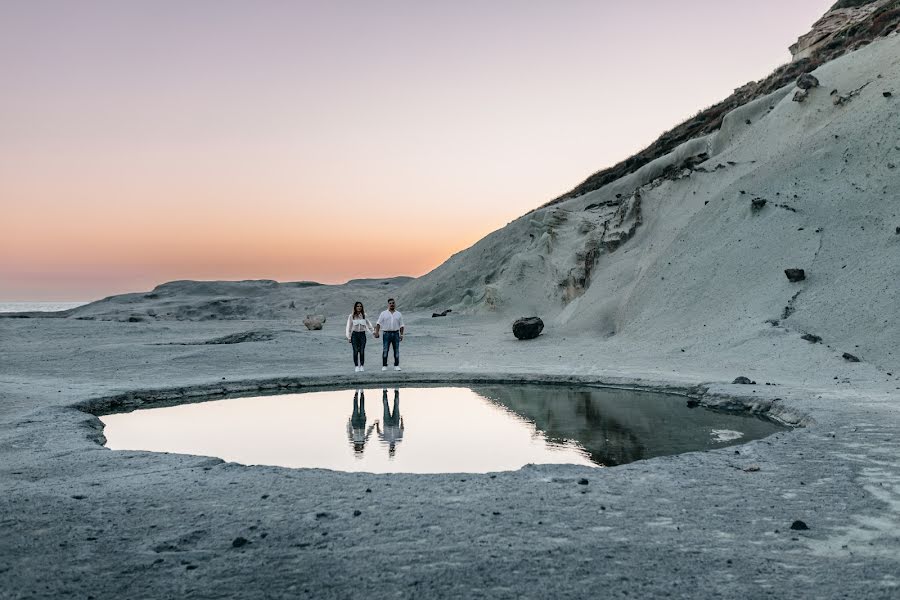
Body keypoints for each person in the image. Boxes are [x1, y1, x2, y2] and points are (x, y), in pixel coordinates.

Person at [373, 298, 404, 371]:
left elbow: (402, 325)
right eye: (390, 303)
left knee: (396, 350)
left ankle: (396, 365)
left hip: (396, 333)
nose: (392, 304)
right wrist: (377, 332)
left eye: (393, 303)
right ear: (388, 304)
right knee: (385, 349)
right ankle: (384, 365)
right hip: (386, 334)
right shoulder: (383, 313)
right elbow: (378, 323)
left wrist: (401, 335)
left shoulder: (399, 314)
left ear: (395, 304)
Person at [345, 301, 374, 372]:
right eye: (357, 306)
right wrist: (349, 337)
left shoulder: (364, 315)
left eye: (360, 306)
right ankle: (356, 366)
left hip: (362, 335)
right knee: (355, 351)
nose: (359, 307)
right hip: (354, 335)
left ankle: (361, 365)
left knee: (362, 351)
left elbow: (369, 325)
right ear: (355, 307)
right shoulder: (351, 316)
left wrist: (373, 332)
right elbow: (348, 327)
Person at [375, 388, 404, 457]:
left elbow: (378, 433)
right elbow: (402, 429)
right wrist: (402, 420)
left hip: (387, 423)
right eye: (392, 450)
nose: (392, 448)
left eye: (391, 450)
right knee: (396, 405)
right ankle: (396, 391)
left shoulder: (385, 441)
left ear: (389, 449)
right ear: (394, 449)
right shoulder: (398, 440)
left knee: (386, 406)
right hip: (395, 423)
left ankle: (385, 391)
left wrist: (377, 424)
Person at [347, 389, 376, 455]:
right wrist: (373, 425)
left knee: (355, 407)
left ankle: (356, 393)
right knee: (362, 407)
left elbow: (349, 432)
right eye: (360, 449)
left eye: (358, 449)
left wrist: (349, 423)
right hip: (362, 423)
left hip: (355, 423)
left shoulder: (353, 441)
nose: (359, 448)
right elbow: (368, 433)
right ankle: (362, 392)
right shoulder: (364, 441)